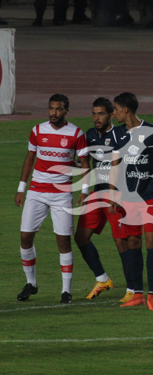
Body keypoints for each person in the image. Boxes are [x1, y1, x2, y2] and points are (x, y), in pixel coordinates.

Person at [15, 94, 89, 304]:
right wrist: (21, 188)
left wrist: (84, 190)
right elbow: (30, 159)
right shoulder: (38, 130)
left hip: (61, 194)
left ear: (66, 111)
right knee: (25, 238)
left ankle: (66, 291)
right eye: (51, 108)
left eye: (58, 109)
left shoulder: (76, 133)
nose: (54, 113)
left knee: (63, 241)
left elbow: (84, 163)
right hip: (36, 192)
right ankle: (32, 284)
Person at [110, 92, 153, 310]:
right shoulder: (117, 134)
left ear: (126, 110)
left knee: (151, 241)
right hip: (129, 197)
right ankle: (138, 293)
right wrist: (113, 193)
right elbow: (115, 165)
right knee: (133, 242)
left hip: (150, 196)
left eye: (116, 109)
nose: (114, 113)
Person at [75, 98, 122, 300]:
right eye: (94, 113)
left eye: (101, 113)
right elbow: (87, 163)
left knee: (123, 243)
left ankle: (133, 290)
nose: (96, 118)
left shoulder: (120, 135)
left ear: (111, 115)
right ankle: (103, 279)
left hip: (117, 195)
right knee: (81, 237)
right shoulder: (91, 135)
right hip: (98, 192)